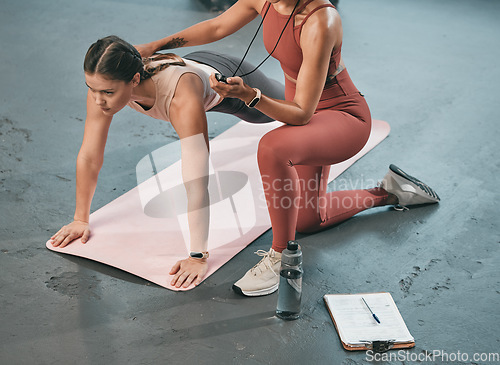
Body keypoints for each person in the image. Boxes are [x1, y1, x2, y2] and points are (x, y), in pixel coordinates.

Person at [136, 0, 440, 297]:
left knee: (272, 147)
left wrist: (250, 95)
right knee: (308, 220)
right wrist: (154, 47)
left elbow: (302, 114)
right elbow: (217, 26)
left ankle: (281, 257)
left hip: (340, 117)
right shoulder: (266, 1)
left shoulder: (321, 20)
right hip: (306, 117)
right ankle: (391, 191)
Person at [49, 35, 285, 289]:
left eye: (107, 92)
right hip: (193, 67)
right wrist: (80, 219)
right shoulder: (103, 88)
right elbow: (90, 155)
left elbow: (196, 179)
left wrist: (198, 255)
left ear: (134, 80)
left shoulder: (181, 99)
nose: (98, 100)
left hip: (234, 81)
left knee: (296, 106)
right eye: (91, 88)